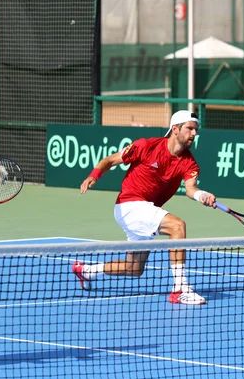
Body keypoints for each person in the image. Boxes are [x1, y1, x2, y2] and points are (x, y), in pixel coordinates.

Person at [73, 110, 217, 306]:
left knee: (134, 268)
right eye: (189, 128)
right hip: (129, 205)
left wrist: (202, 195)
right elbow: (110, 160)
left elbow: (191, 189)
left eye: (195, 130)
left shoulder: (189, 162)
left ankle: (86, 271)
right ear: (175, 129)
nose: (193, 133)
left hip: (145, 210)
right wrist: (93, 176)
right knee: (177, 227)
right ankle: (180, 289)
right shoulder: (146, 146)